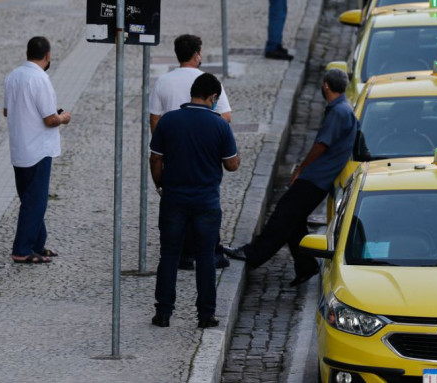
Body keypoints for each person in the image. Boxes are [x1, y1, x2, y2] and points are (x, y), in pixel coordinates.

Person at [223, 69, 357, 286]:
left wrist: (301, 169)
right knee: (294, 222)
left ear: (325, 86)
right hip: (321, 178)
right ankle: (306, 266)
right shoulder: (345, 108)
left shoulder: (338, 112)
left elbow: (321, 145)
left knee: (283, 216)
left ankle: (253, 253)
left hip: (315, 178)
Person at [149, 73, 240, 328]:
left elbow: (155, 158)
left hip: (174, 199)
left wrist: (160, 185)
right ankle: (205, 315)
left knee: (168, 255)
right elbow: (232, 165)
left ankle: (163, 313)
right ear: (212, 97)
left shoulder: (169, 121)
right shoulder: (220, 125)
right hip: (206, 203)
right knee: (205, 257)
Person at [149, 34, 233, 270]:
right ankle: (212, 252)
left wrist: (163, 146)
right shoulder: (207, 81)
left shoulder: (163, 82)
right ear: (197, 54)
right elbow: (226, 116)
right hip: (205, 149)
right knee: (208, 200)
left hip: (174, 150)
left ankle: (184, 254)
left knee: (177, 202)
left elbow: (155, 119)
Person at [3, 36, 71, 264]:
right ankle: (22, 249)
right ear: (48, 55)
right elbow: (50, 119)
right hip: (38, 149)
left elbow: (7, 111)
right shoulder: (39, 79)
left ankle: (37, 244)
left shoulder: (12, 76)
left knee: (29, 198)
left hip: (19, 148)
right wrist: (63, 117)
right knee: (36, 201)